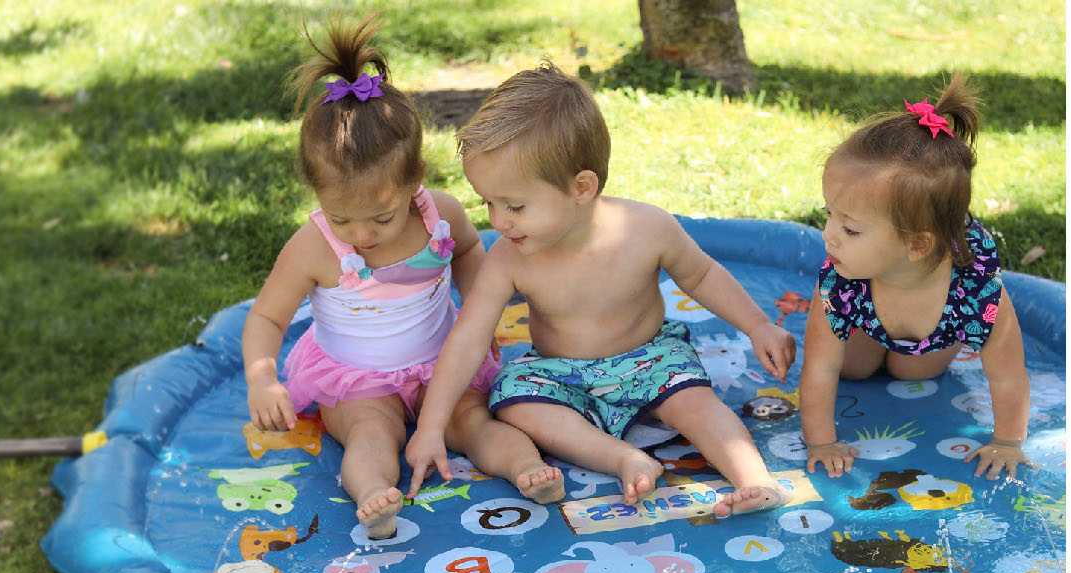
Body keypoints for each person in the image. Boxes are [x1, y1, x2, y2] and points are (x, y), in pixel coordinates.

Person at [405, 60, 797, 519]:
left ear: (582, 187)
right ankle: (623, 458)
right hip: (561, 372)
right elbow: (469, 338)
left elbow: (703, 275)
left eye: (514, 205)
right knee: (515, 400)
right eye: (487, 202)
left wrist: (758, 326)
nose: (497, 221)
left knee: (696, 402)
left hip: (649, 361)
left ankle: (752, 478)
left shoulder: (645, 228)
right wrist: (431, 425)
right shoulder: (509, 257)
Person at [241, 16, 564, 541]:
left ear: (414, 180)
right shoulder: (315, 247)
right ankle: (373, 495)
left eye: (382, 217)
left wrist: (481, 315)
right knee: (372, 435)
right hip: (356, 378)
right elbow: (268, 315)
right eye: (342, 217)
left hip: (440, 361)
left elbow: (467, 254)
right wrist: (261, 377)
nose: (362, 233)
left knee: (472, 423)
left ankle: (529, 471)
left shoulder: (441, 217)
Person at [799, 73, 1033, 480]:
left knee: (915, 369)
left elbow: (1008, 374)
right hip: (867, 316)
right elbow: (819, 369)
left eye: (850, 228)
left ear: (918, 245)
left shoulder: (977, 294)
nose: (828, 236)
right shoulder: (842, 279)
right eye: (828, 215)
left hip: (934, 326)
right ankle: (873, 340)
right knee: (852, 367)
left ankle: (911, 350)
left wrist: (1007, 442)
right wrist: (822, 442)